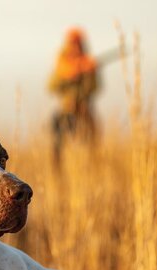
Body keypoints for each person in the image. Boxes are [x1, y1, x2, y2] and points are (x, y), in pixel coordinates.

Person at [48, 27, 100, 166]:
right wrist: (69, 76)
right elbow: (51, 86)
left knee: (92, 139)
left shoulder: (88, 63)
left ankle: (91, 166)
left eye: (77, 43)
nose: (75, 46)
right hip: (66, 109)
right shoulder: (62, 64)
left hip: (84, 109)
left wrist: (88, 73)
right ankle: (58, 168)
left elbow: (95, 88)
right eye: (72, 43)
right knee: (58, 141)